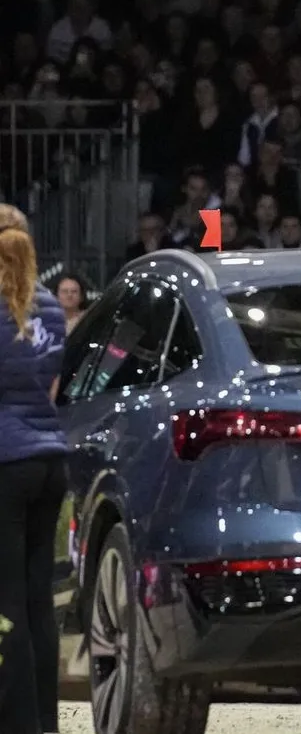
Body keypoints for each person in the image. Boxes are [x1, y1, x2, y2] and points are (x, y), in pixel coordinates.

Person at [0, 204, 70, 734]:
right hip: (50, 460)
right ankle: (46, 720)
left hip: (7, 462)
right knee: (39, 597)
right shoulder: (51, 307)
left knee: (7, 603)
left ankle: (17, 722)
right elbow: (51, 383)